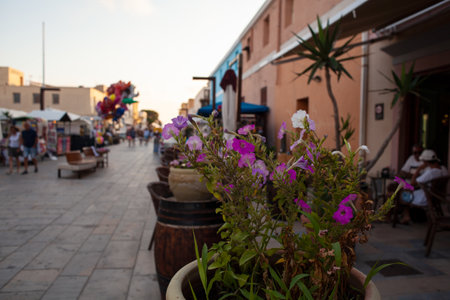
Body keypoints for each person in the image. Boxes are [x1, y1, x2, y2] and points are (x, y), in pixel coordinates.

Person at [399, 149, 448, 224]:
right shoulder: (444, 169)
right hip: (436, 197)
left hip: (425, 198)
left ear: (425, 161)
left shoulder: (431, 173)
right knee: (407, 190)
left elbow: (412, 183)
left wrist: (419, 169)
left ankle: (406, 215)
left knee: (403, 194)